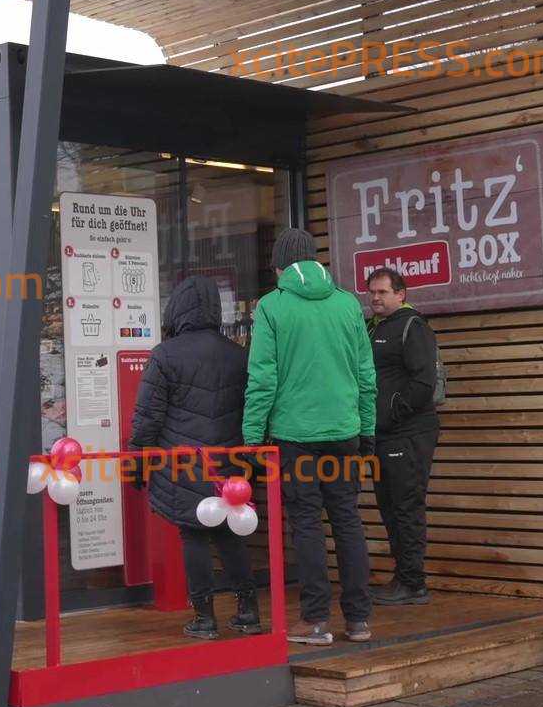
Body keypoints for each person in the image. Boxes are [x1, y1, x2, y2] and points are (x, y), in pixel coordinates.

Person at [241, 227, 377, 646]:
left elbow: (263, 378)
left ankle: (316, 621)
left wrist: (251, 437)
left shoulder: (271, 306)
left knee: (306, 523)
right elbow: (365, 374)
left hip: (295, 436)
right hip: (345, 431)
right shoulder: (347, 304)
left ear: (280, 267)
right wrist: (368, 428)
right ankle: (359, 620)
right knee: (347, 519)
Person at [130, 275, 257, 640]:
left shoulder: (165, 355)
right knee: (230, 534)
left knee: (193, 535)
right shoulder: (239, 355)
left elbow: (147, 419)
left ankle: (204, 617)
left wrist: (137, 464)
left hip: (182, 464)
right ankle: (248, 611)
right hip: (229, 461)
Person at [364, 266, 442, 606]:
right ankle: (403, 577)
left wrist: (391, 412)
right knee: (389, 505)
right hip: (382, 434)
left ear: (400, 294)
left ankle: (413, 583)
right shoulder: (373, 327)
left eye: (382, 292)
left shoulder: (413, 326)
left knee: (406, 505)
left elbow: (423, 382)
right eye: (371, 292)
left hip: (407, 433)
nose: (375, 298)